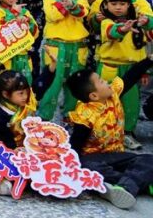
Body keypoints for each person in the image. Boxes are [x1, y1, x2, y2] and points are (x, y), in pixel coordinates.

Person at [66, 54, 153, 210]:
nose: (106, 82)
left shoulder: (113, 94)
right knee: (87, 166)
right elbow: (75, 146)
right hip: (93, 158)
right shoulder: (86, 116)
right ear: (94, 96)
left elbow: (131, 76)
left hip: (116, 155)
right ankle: (135, 184)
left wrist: (149, 60)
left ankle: (116, 186)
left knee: (148, 159)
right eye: (101, 81)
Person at [95, 0, 153, 150]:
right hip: (110, 68)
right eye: (114, 4)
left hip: (131, 69)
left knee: (131, 103)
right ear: (106, 5)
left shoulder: (136, 22)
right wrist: (123, 29)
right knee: (105, 102)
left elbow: (140, 48)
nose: (118, 7)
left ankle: (127, 133)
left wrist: (144, 72)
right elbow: (112, 33)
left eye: (122, 4)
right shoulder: (106, 22)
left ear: (129, 5)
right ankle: (103, 132)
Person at [37, 0, 90, 121]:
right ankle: (44, 119)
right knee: (51, 83)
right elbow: (53, 16)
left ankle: (71, 118)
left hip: (77, 47)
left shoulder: (81, 0)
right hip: (55, 47)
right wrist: (65, 5)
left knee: (74, 83)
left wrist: (72, 4)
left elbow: (82, 13)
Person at [0, 65, 53, 150]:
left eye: (27, 92)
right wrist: (14, 148)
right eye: (21, 93)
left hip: (33, 145)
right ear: (5, 94)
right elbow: (5, 141)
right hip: (16, 153)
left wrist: (50, 69)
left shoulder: (27, 100)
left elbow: (39, 85)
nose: (26, 96)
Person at [0, 0, 40, 83]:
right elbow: (0, 33)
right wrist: (14, 14)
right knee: (7, 86)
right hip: (6, 58)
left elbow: (35, 33)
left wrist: (27, 23)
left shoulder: (24, 11)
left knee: (26, 85)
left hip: (23, 56)